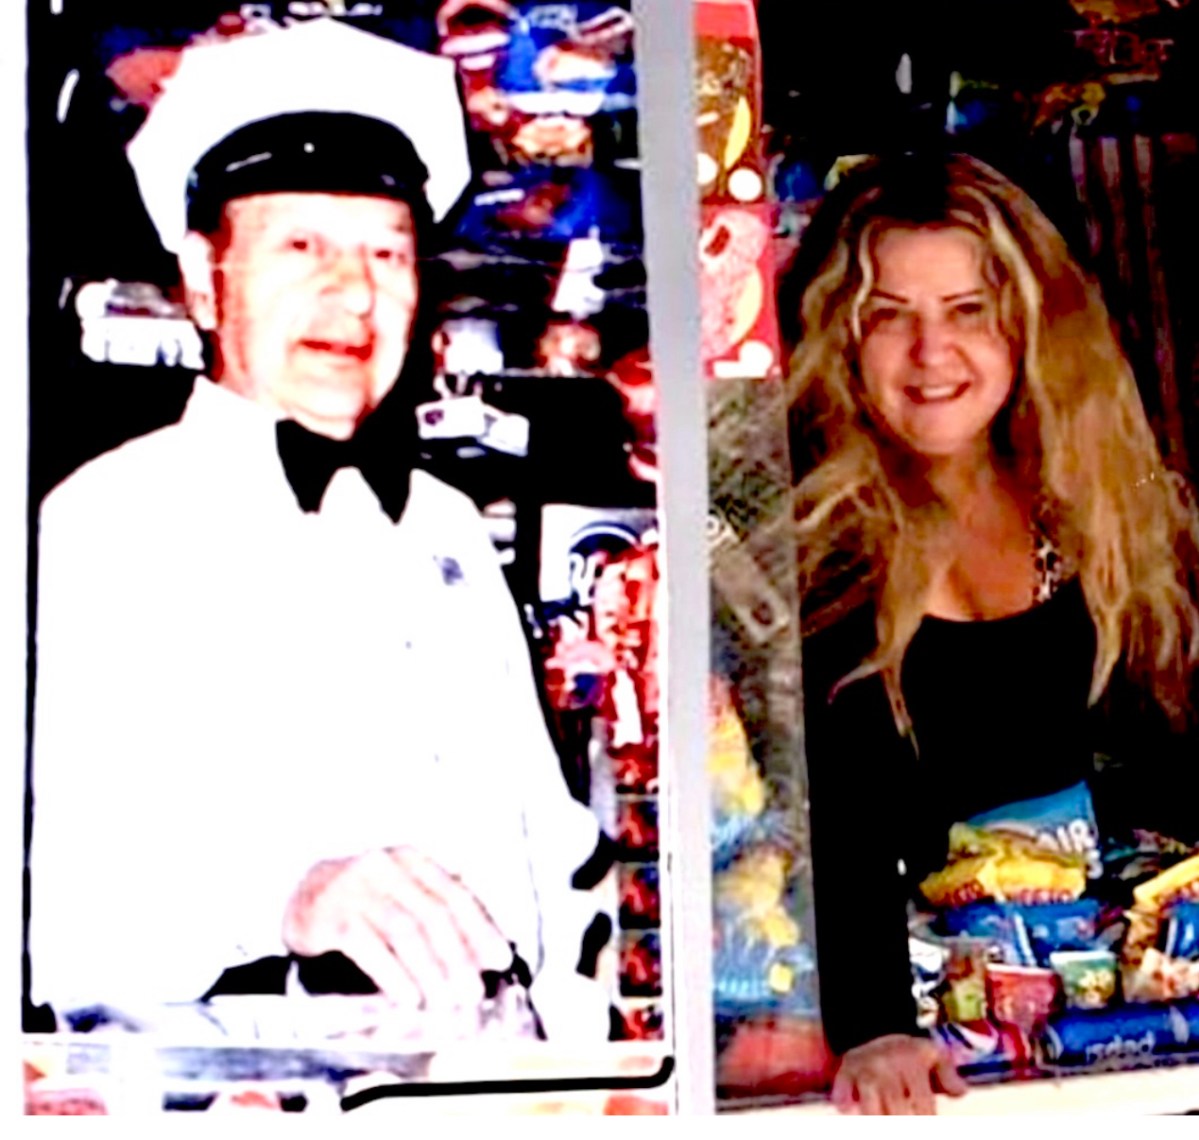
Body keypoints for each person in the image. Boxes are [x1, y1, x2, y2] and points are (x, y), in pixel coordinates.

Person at [28, 27, 607, 1044]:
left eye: (386, 251)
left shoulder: (447, 526)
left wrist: (597, 1047)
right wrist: (286, 901)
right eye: (303, 247)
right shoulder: (99, 525)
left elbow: (548, 842)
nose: (353, 292)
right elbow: (63, 922)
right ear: (206, 283)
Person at [787, 151, 1199, 1113]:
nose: (931, 354)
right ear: (840, 336)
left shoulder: (1103, 511)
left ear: (1028, 327)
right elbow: (822, 823)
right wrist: (873, 1024)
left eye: (969, 310)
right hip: (920, 1063)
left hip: (1120, 1024)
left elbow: (1172, 760)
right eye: (888, 315)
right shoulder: (805, 545)